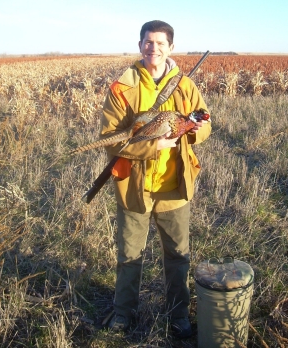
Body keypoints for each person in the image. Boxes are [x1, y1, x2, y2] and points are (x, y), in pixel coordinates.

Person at [100, 20, 211, 338]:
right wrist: (154, 144)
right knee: (129, 255)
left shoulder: (186, 86)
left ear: (170, 47)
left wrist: (192, 129)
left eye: (161, 43)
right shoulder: (123, 87)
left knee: (178, 255)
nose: (154, 48)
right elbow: (111, 138)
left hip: (174, 186)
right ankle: (123, 313)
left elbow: (205, 121)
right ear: (140, 46)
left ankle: (178, 316)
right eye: (149, 42)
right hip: (134, 185)